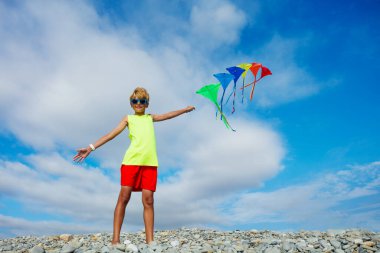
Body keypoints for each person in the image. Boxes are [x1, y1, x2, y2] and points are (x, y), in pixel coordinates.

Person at [73, 87, 195, 245]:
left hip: (150, 163)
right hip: (131, 163)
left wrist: (185, 110)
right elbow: (110, 135)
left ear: (147, 104)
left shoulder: (150, 118)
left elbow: (167, 115)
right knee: (124, 197)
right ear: (131, 103)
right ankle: (115, 240)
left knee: (149, 200)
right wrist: (91, 147)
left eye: (142, 101)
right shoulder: (128, 119)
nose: (138, 103)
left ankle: (150, 241)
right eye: (135, 101)